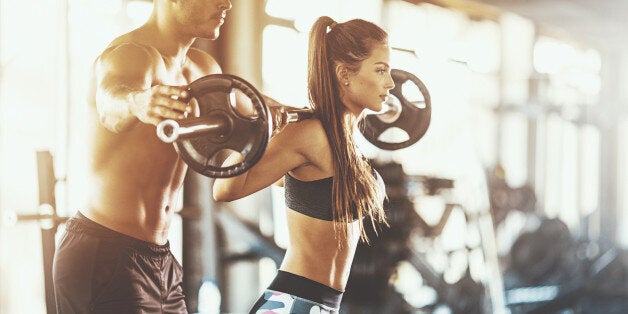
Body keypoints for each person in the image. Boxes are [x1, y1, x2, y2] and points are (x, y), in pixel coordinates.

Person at [52, 1, 234, 313]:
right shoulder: (130, 54)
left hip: (160, 257)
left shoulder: (203, 68)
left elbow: (250, 111)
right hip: (104, 253)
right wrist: (137, 103)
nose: (226, 4)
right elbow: (112, 101)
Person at [213, 16, 395, 314]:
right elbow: (224, 190)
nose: (390, 83)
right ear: (344, 75)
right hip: (292, 302)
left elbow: (286, 181)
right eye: (380, 70)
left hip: (322, 305)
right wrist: (260, 131)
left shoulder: (345, 141)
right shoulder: (310, 134)